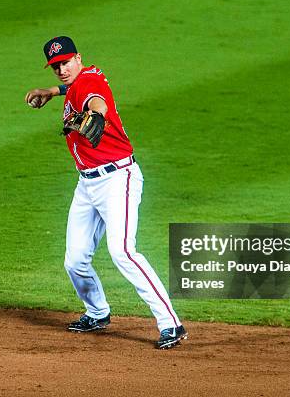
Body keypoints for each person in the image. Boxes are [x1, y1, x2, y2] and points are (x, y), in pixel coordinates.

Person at [25, 36, 187, 349]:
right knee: (74, 260)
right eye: (55, 66)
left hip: (118, 180)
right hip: (87, 185)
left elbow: (94, 100)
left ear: (78, 58)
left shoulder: (88, 84)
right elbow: (74, 89)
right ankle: (97, 312)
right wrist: (51, 92)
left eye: (66, 62)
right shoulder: (81, 79)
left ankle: (171, 323)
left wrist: (96, 115)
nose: (61, 69)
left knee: (123, 251)